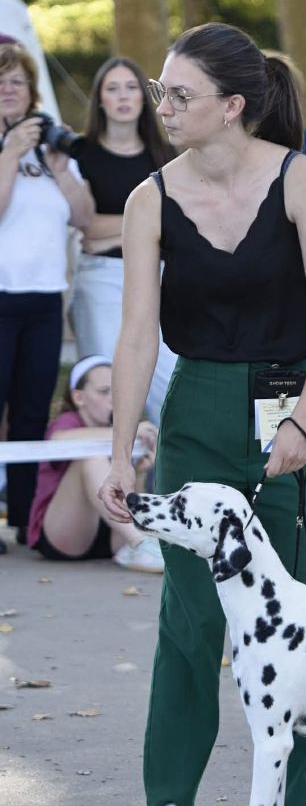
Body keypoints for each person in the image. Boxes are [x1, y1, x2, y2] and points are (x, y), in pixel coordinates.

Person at [98, 23, 306, 806]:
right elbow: (136, 337)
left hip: (297, 404)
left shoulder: (300, 177)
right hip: (200, 409)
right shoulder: (148, 200)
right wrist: (120, 452)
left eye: (179, 94)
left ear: (232, 106)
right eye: (163, 92)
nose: (162, 106)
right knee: (192, 617)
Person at [0, 41, 94, 545]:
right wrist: (10, 154)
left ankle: (21, 516)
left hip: (43, 300)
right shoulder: (12, 150)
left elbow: (81, 218)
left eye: (17, 81)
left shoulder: (47, 146)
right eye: (0, 82)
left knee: (33, 411)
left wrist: (58, 167)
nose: (8, 90)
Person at [69, 57, 176, 426]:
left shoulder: (166, 155)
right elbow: (87, 224)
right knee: (109, 384)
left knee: (166, 382)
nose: (123, 97)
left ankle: (168, 478)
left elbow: (178, 222)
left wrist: (110, 234)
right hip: (100, 276)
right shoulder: (80, 154)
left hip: (160, 277)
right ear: (99, 100)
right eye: (112, 89)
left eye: (131, 87)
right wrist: (146, 224)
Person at [26, 356, 163, 570]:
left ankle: (140, 544)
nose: (113, 399)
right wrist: (125, 433)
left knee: (129, 472)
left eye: (116, 391)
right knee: (91, 458)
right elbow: (57, 439)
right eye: (103, 391)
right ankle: (142, 543)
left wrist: (140, 470)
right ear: (79, 397)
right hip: (66, 533)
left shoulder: (119, 429)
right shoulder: (69, 421)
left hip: (112, 533)